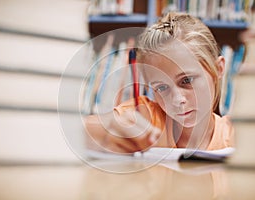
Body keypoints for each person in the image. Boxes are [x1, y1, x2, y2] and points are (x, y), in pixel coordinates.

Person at [85, 12, 234, 154]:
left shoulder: (237, 135)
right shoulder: (146, 117)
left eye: (186, 80)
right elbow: (76, 130)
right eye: (162, 88)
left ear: (218, 69)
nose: (177, 100)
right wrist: (109, 129)